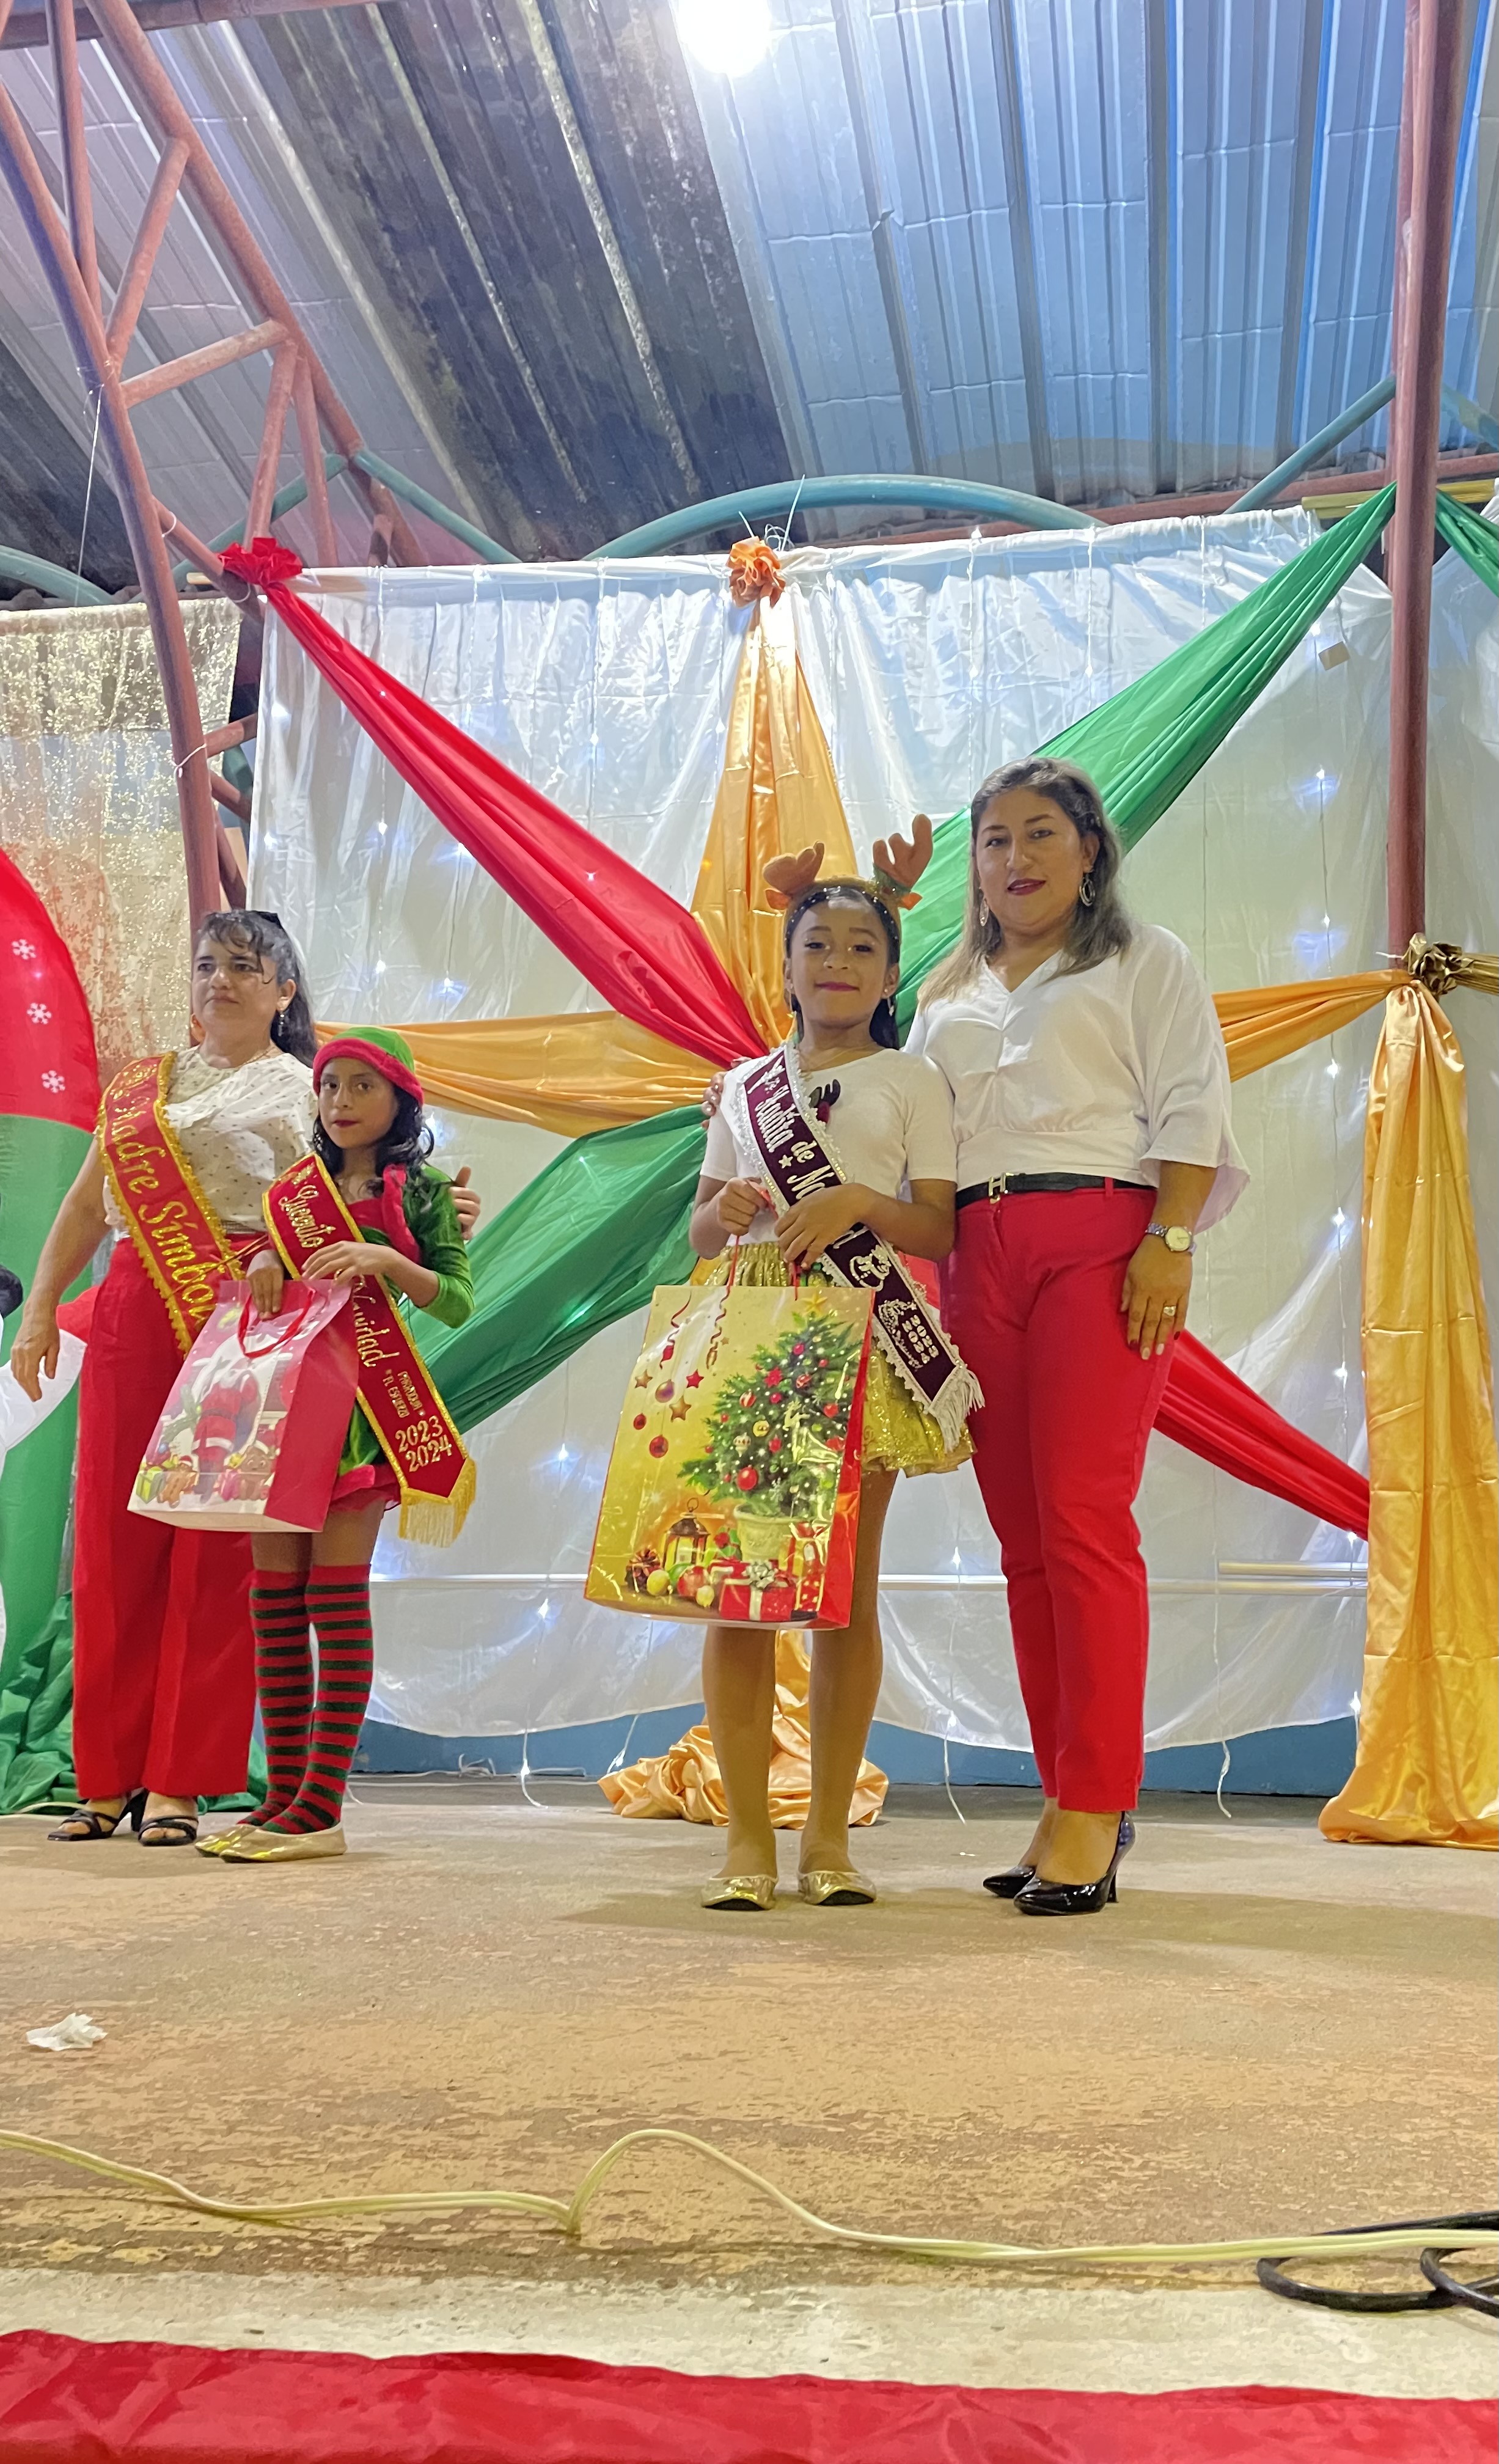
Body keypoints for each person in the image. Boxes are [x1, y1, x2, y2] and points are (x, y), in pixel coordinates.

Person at [9, 917, 482, 1849]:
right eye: (206, 964)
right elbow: (86, 1203)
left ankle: (181, 1782)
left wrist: (437, 1213)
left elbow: (362, 1192)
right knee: (111, 1540)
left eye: (243, 966)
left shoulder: (304, 1089)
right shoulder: (141, 1088)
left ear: (284, 992)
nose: (219, 979)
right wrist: (41, 1305)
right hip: (132, 1307)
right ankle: (104, 1777)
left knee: (215, 1549)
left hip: (246, 1312)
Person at [907, 757, 1245, 1916]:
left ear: (1090, 849)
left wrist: (1171, 1240)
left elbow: (1192, 1103)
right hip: (973, 1254)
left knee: (1085, 1523)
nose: (1016, 858)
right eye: (995, 839)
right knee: (1023, 1544)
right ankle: (1066, 1794)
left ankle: (1098, 1802)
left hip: (1101, 1236)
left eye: (1041, 833)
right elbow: (898, 1123)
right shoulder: (946, 990)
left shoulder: (1145, 960)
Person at [689, 856, 980, 1911]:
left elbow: (936, 1228)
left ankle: (826, 1835)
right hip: (756, 1332)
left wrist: (857, 1201)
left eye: (863, 947)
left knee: (843, 1595)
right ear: (786, 968)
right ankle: (744, 1839)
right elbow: (700, 1227)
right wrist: (723, 1212)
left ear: (892, 974)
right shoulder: (741, 1086)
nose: (839, 962)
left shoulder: (912, 1080)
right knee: (740, 1592)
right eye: (817, 945)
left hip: (865, 1332)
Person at [203, 1029, 474, 1865]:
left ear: (400, 1100)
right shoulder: (296, 1190)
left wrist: (388, 1259)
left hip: (363, 1415)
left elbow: (457, 1300)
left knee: (335, 1600)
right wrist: (262, 1260)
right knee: (273, 1603)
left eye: (362, 1086)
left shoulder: (424, 1191)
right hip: (285, 1409)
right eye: (330, 1087)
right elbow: (269, 1264)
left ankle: (321, 1809)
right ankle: (280, 1797)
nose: (342, 1102)